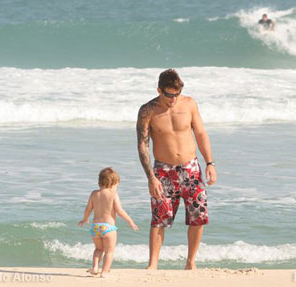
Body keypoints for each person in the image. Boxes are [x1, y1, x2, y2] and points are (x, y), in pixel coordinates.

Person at [136, 69, 217, 270]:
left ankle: (190, 262)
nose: (173, 99)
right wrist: (151, 178)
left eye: (176, 94)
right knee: (159, 218)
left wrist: (210, 163)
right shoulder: (148, 110)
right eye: (168, 95)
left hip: (191, 168)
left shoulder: (189, 104)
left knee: (198, 216)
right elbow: (142, 145)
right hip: (163, 171)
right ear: (159, 90)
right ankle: (153, 264)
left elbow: (200, 133)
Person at [78, 167, 138, 277]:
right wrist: (130, 221)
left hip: (95, 227)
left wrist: (85, 219)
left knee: (98, 249)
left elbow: (88, 209)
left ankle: (95, 267)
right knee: (109, 251)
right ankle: (104, 272)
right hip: (108, 228)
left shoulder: (94, 193)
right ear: (113, 183)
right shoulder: (113, 194)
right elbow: (119, 211)